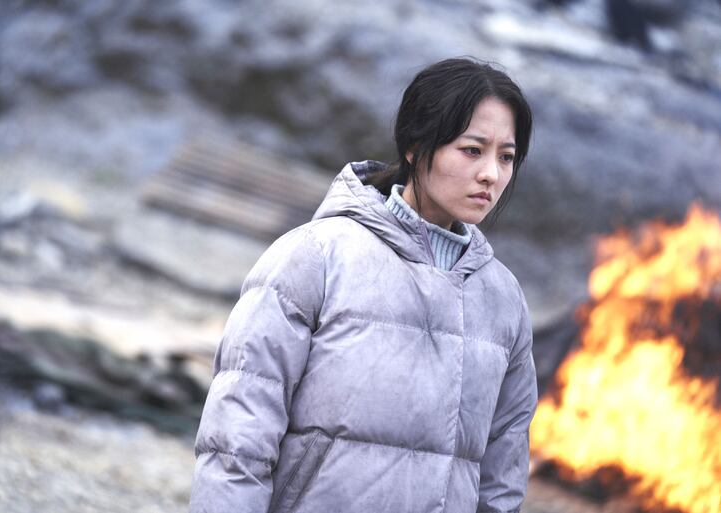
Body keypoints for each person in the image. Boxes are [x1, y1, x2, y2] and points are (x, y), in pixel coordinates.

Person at [190, 57, 538, 513]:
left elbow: (501, 476)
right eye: (472, 150)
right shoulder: (316, 256)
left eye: (506, 157)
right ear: (415, 146)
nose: (491, 173)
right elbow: (237, 440)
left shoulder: (503, 300)